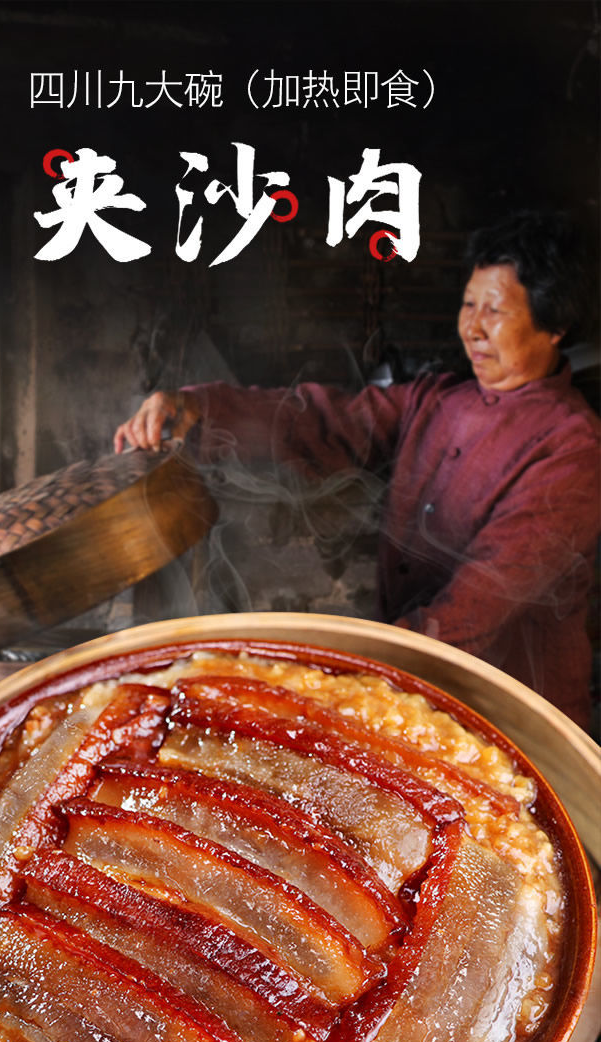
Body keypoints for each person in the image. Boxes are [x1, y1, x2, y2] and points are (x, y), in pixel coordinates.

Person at [114, 212, 601, 729]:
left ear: (555, 325)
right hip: (415, 687)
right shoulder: (437, 399)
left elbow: (483, 599)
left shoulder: (573, 445)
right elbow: (325, 421)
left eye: (495, 310)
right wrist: (198, 408)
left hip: (515, 709)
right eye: (468, 304)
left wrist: (352, 676)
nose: (473, 327)